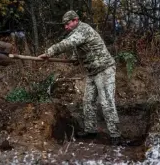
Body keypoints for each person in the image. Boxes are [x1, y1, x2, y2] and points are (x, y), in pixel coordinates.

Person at [38, 10, 122, 145]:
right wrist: (75, 59)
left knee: (106, 102)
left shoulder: (83, 29)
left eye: (67, 23)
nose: (65, 26)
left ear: (76, 20)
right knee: (88, 102)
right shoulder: (76, 33)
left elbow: (69, 43)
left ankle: (116, 136)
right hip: (92, 72)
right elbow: (80, 48)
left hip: (104, 70)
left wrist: (49, 52)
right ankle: (90, 131)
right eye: (64, 24)